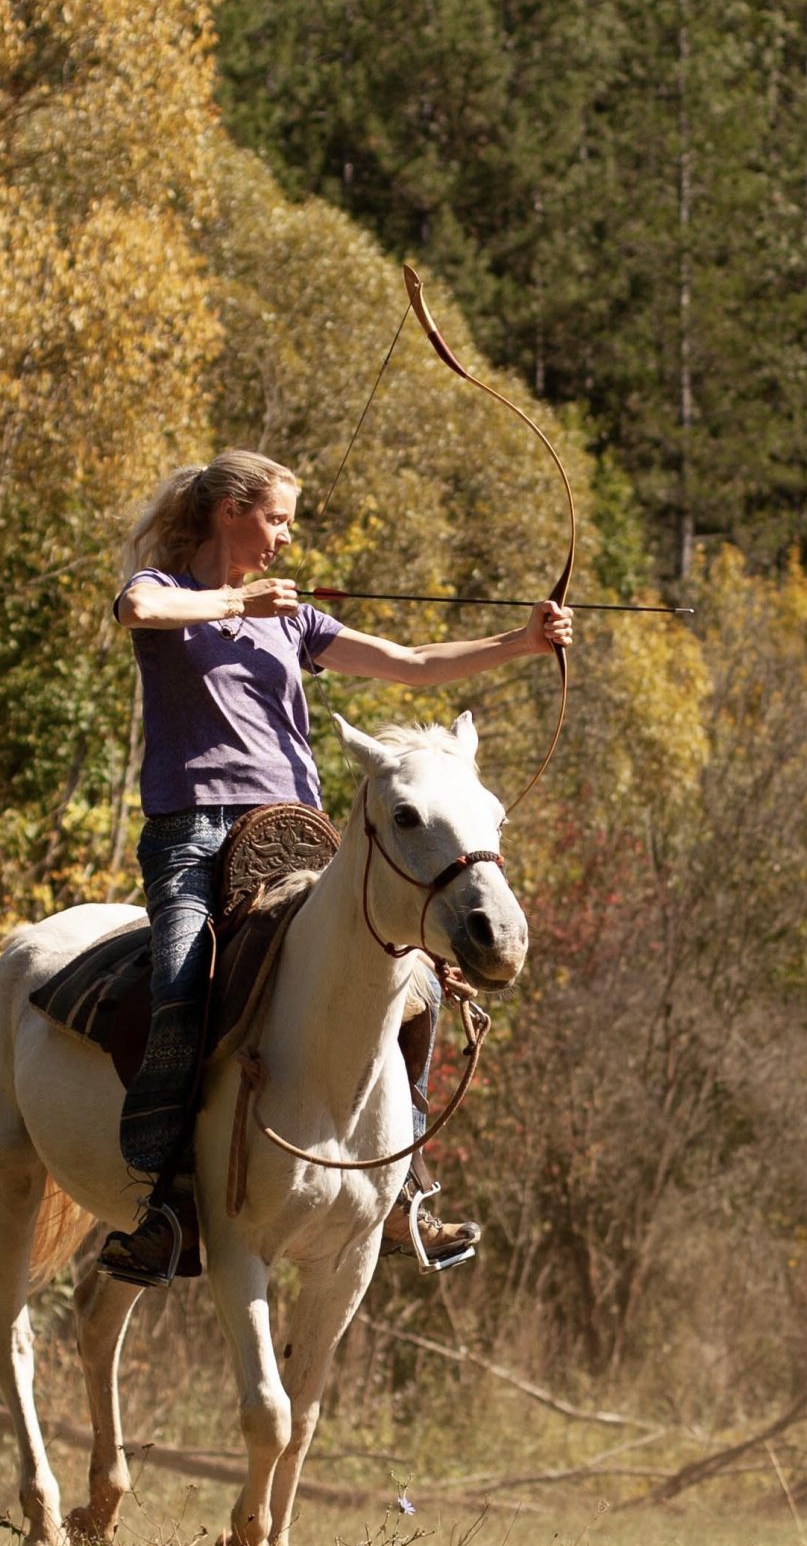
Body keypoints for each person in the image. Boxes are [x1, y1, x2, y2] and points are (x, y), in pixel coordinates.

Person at [99, 447, 572, 1285]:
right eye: (275, 517)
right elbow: (134, 605)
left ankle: (403, 1194)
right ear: (229, 510)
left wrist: (522, 641)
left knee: (417, 984)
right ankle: (166, 1203)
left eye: (288, 520)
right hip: (195, 836)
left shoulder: (294, 621)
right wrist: (237, 600)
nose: (285, 535)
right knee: (179, 980)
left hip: (295, 836)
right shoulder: (172, 592)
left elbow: (414, 664)